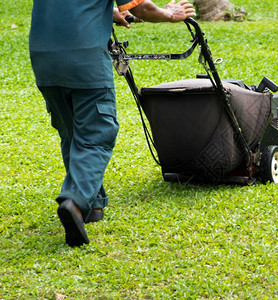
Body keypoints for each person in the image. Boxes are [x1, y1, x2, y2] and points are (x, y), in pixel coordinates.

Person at [29, 0, 196, 247]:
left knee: (72, 132)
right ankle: (74, 201)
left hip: (43, 58)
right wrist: (170, 14)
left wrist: (108, 12)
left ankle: (93, 205)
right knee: (97, 133)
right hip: (84, 58)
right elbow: (141, 9)